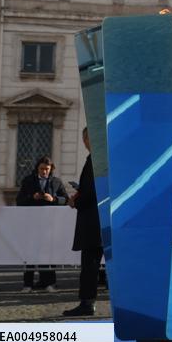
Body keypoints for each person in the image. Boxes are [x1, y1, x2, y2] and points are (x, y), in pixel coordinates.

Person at [63, 129, 103, 317]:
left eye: (85, 138)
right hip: (99, 220)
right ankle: (88, 301)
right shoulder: (99, 159)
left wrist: (76, 201)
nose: (84, 142)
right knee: (92, 265)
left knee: (90, 265)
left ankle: (87, 303)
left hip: (93, 222)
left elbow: (92, 192)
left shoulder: (94, 160)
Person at [16, 155, 68, 292]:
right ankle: (28, 284)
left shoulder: (57, 182)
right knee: (30, 253)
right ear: (37, 168)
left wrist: (53, 199)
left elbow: (67, 200)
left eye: (47, 169)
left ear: (51, 169)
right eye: (41, 169)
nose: (44, 171)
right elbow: (19, 201)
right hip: (31, 223)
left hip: (50, 225)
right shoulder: (28, 181)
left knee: (49, 253)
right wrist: (32, 197)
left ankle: (49, 283)